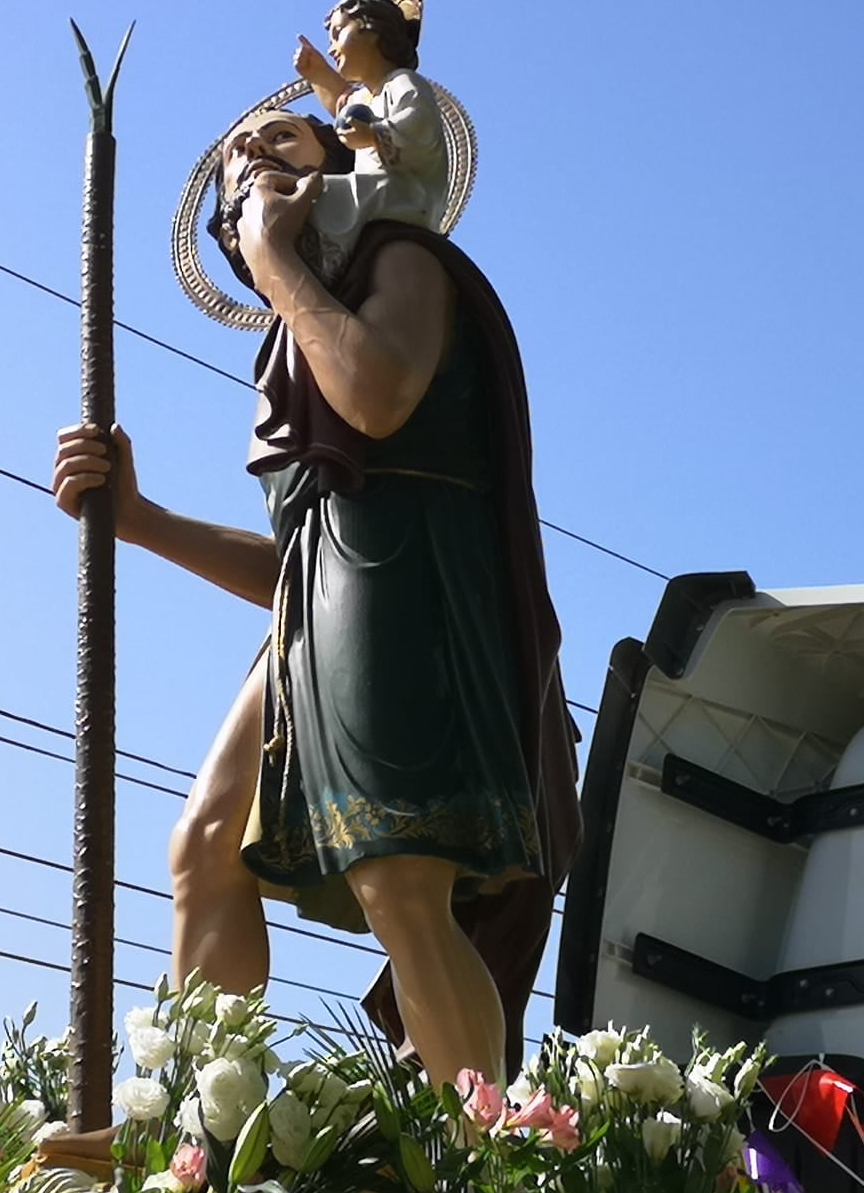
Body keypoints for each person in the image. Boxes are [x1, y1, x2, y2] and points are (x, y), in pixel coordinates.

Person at [50, 108, 576, 1111]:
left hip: (410, 596)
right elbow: (304, 558)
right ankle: (196, 1138)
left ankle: (492, 1164)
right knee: (205, 847)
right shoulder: (298, 333)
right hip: (323, 612)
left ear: (340, 168)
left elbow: (376, 397)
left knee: (398, 879)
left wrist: (271, 254)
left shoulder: (402, 262)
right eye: (235, 153)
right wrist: (140, 518)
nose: (247, 153)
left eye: (281, 137)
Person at [289, 0, 450, 281]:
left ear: (372, 29)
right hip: (374, 192)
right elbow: (342, 105)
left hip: (405, 197)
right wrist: (317, 72)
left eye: (338, 33)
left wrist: (375, 135)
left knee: (321, 194)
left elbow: (419, 134)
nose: (332, 46)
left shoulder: (404, 84)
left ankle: (316, 267)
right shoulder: (364, 99)